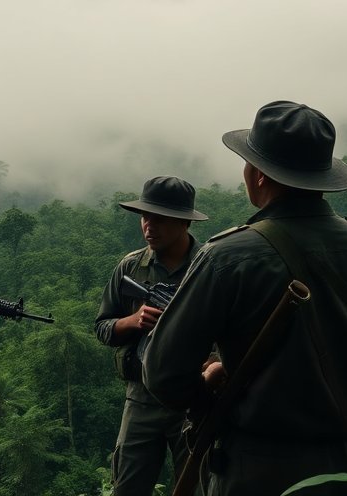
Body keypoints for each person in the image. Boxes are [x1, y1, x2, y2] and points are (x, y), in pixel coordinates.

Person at [144, 101, 347, 496]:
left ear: (260, 175)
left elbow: (163, 373)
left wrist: (213, 388)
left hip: (263, 470)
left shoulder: (227, 257)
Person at [95, 176, 210, 496]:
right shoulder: (130, 268)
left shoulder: (209, 266)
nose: (149, 226)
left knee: (197, 485)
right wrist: (133, 321)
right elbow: (102, 327)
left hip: (193, 397)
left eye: (160, 219)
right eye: (146, 217)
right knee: (129, 486)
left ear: (184, 222)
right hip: (141, 397)